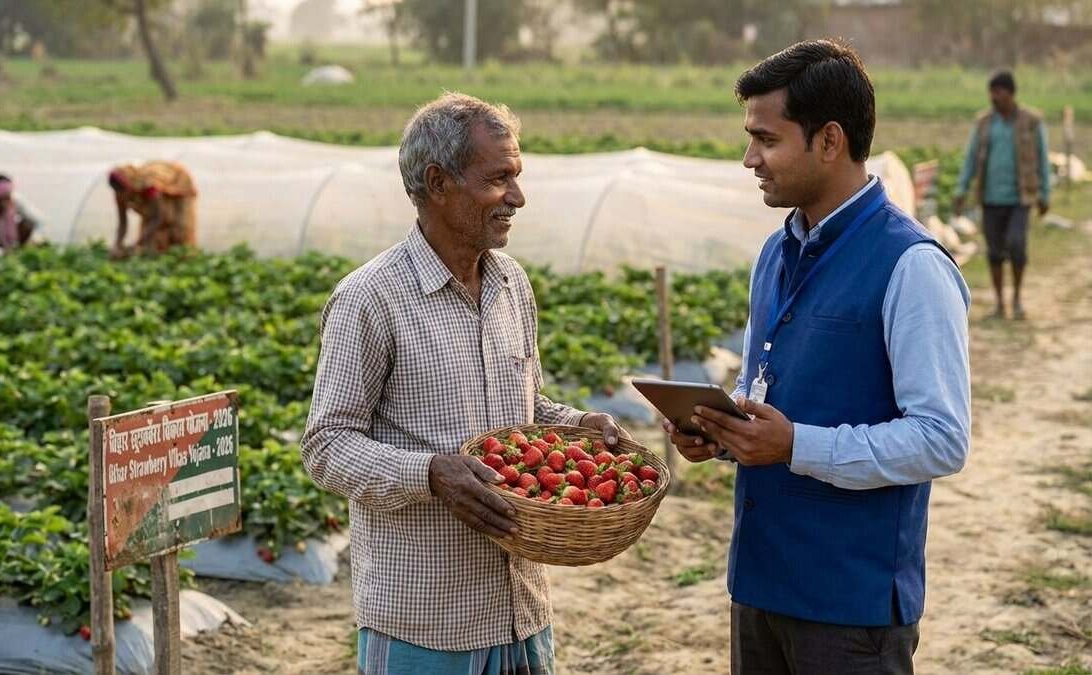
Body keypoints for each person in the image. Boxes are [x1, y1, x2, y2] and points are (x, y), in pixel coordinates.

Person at [665, 40, 971, 675]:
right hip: (760, 580)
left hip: (849, 606)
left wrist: (795, 446)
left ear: (829, 141)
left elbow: (942, 439)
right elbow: (766, 395)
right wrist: (723, 433)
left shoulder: (911, 265)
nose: (750, 158)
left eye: (767, 140)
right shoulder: (773, 257)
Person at [301, 93, 627, 675]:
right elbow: (326, 447)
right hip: (427, 621)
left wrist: (579, 426)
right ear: (438, 182)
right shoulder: (370, 300)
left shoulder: (511, 284)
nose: (518, 197)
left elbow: (525, 411)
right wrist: (430, 473)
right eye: (499, 179)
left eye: (517, 177)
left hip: (521, 609)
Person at [953, 70, 1051, 320]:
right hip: (990, 198)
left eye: (998, 92)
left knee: (1017, 245)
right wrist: (961, 190)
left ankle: (1017, 297)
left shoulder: (1031, 121)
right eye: (992, 92)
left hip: (1021, 198)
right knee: (994, 252)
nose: (993, 97)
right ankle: (999, 303)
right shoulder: (984, 123)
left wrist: (1044, 194)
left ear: (1010, 93)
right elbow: (971, 158)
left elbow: (1042, 159)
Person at [107, 161, 198, 258]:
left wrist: (138, 242)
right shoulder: (120, 193)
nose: (122, 195)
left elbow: (158, 217)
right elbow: (122, 222)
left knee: (179, 229)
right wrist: (117, 244)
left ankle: (184, 258)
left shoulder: (148, 185)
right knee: (151, 240)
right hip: (154, 203)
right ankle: (161, 258)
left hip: (177, 184)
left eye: (124, 191)